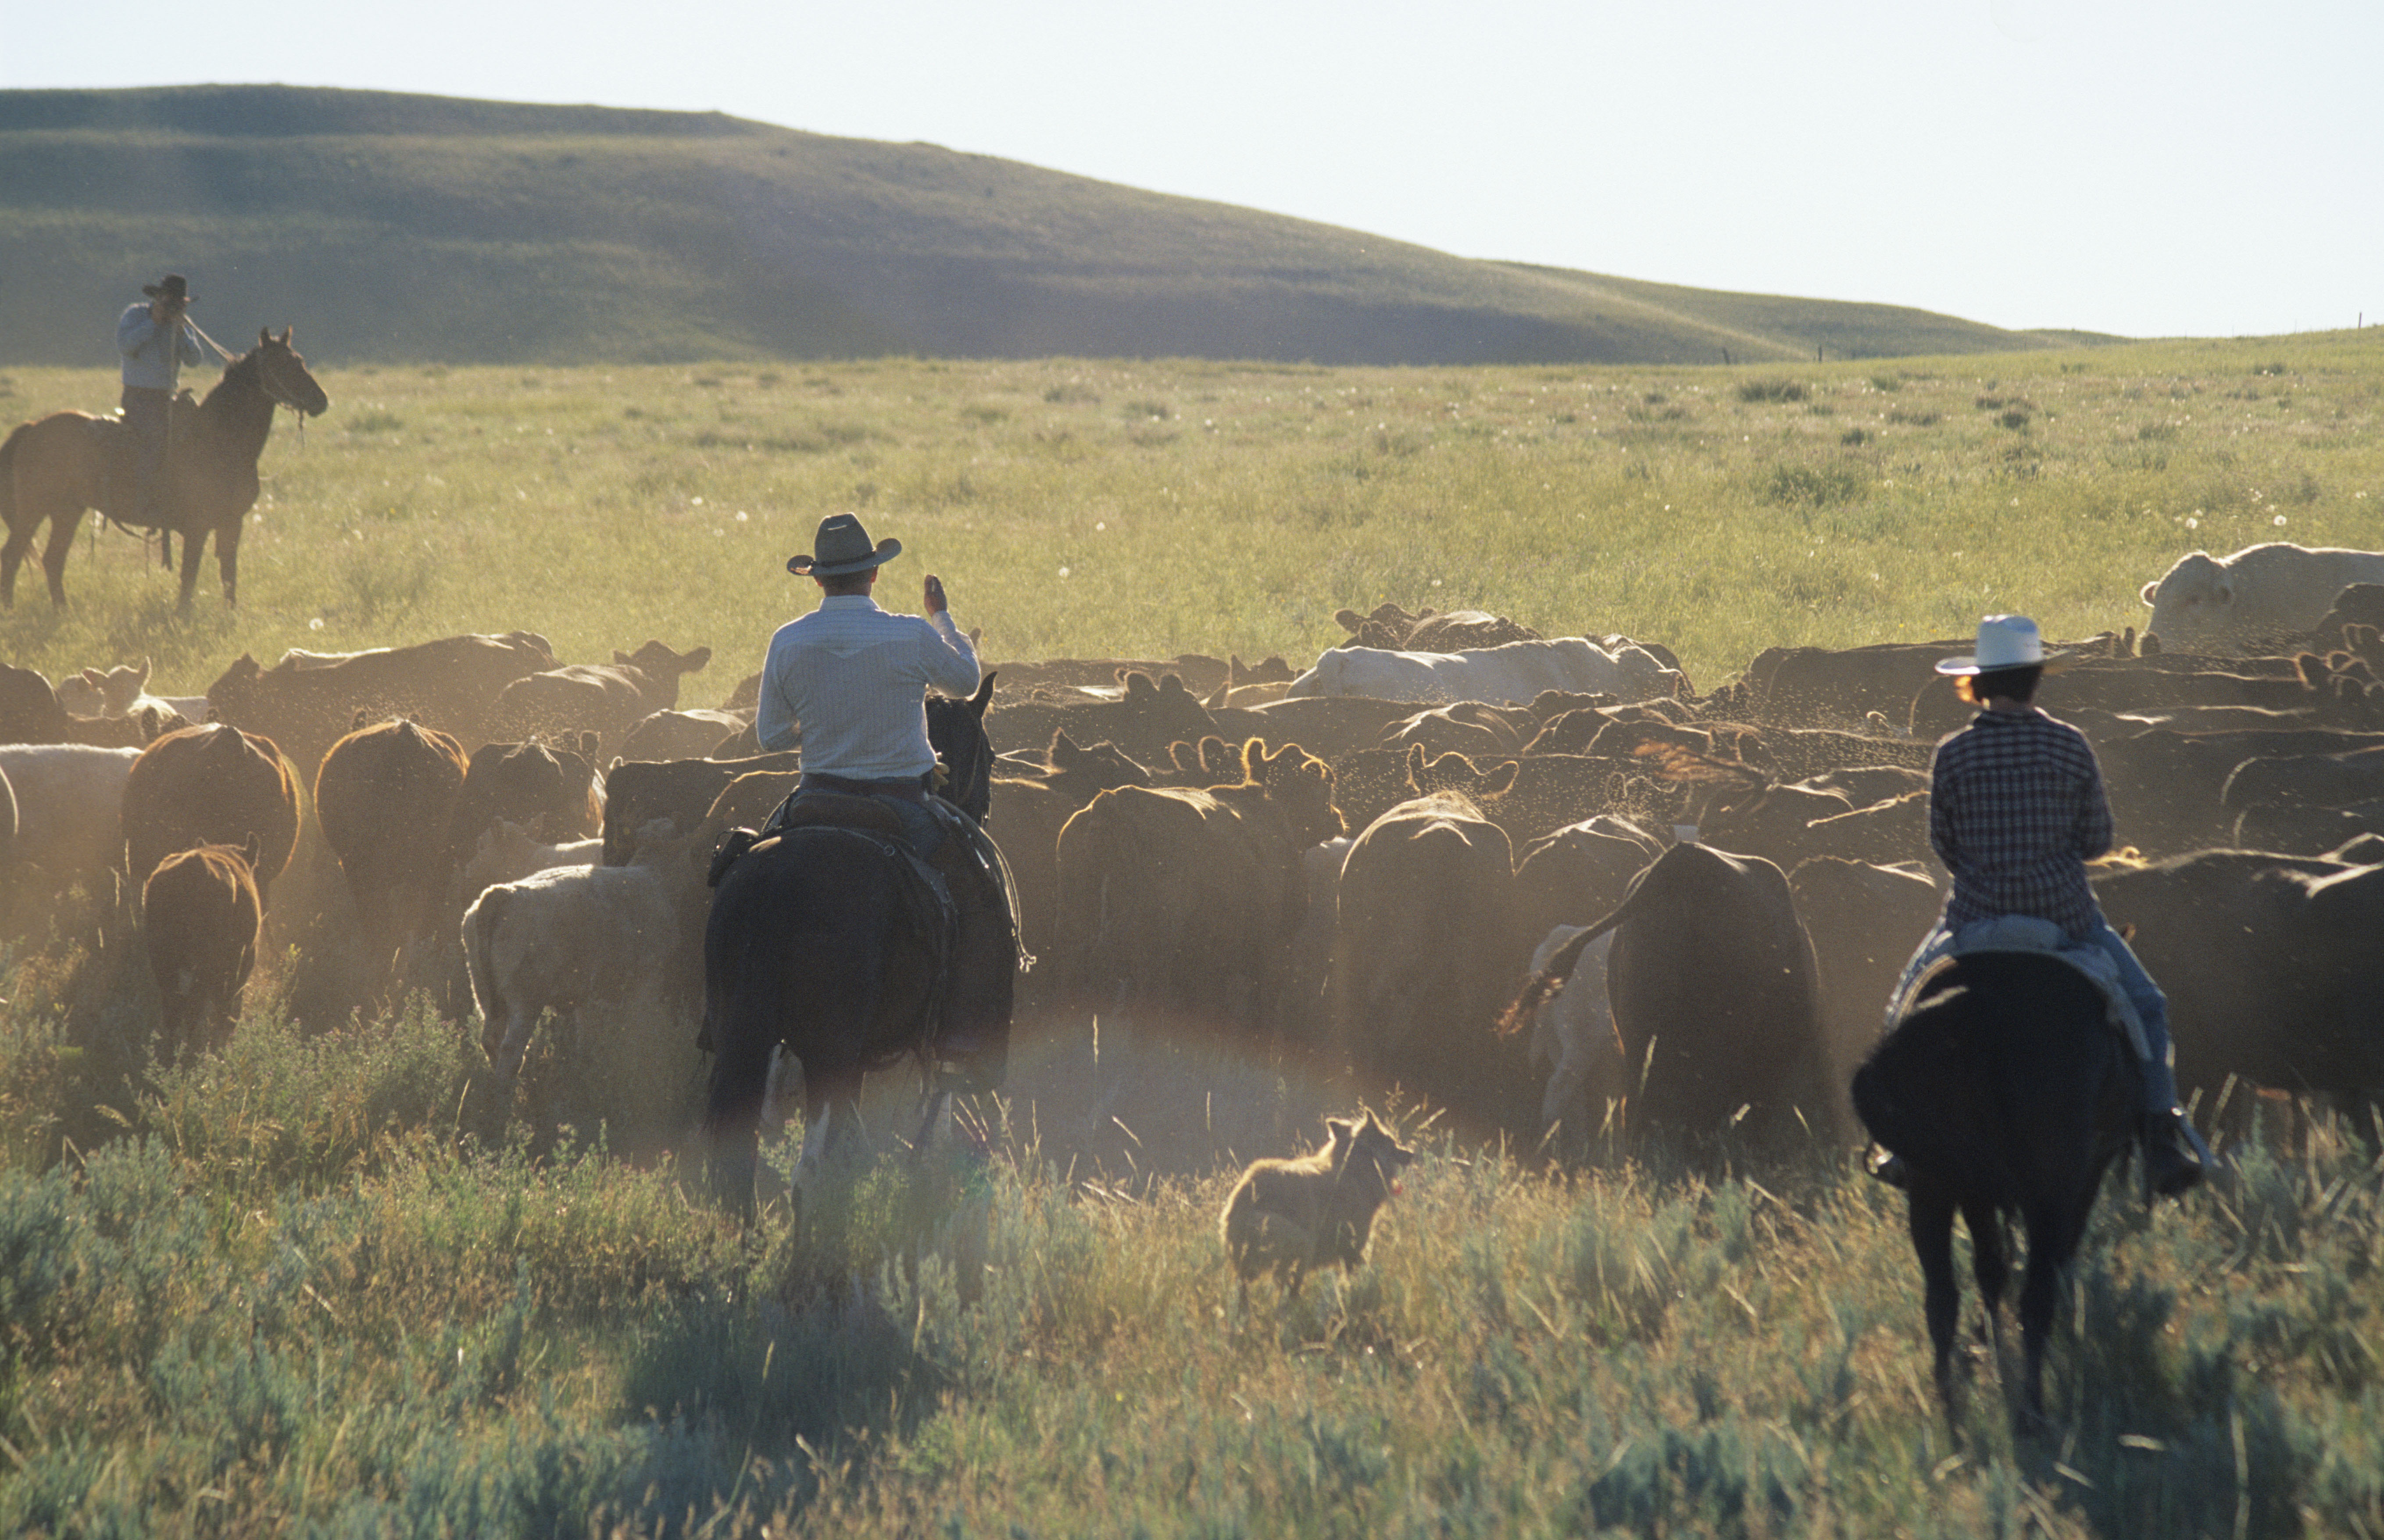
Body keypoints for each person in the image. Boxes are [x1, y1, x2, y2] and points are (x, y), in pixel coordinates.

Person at [1874, 614, 2208, 1197]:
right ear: (2035, 680)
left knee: (1902, 1006)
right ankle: (2158, 1138)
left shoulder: (1952, 753)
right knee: (2148, 1009)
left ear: (1975, 684)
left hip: (1973, 924)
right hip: (2065, 923)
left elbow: (1943, 846)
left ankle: (1900, 1142)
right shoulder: (2068, 744)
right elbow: (2096, 841)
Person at [755, 512, 1013, 1076]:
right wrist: (942, 616)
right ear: (872, 576)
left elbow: (770, 735)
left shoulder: (788, 640)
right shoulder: (909, 632)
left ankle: (730, 1023)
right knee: (983, 898)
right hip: (902, 806)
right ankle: (969, 1042)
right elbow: (967, 684)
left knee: (743, 874)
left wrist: (826, 723)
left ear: (818, 580)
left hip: (813, 802)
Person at [114, 274, 206, 525]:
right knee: (156, 437)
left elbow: (195, 360)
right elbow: (125, 346)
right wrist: (153, 323)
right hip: (139, 398)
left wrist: (181, 329)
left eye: (179, 303)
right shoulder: (135, 315)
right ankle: (144, 500)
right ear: (158, 298)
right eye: (169, 301)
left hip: (167, 398)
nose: (173, 307)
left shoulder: (181, 326)